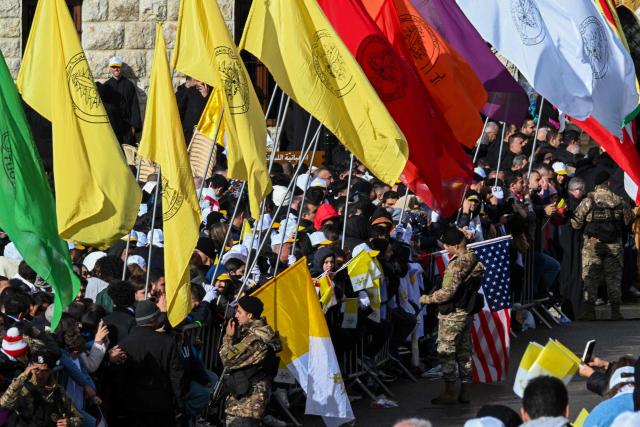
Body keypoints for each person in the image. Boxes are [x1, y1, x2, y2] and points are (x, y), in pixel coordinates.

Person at [419, 227, 484, 405]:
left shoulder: (456, 265)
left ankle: (449, 391)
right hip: (466, 311)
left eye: (447, 245)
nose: (445, 248)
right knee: (463, 352)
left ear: (456, 245)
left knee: (446, 351)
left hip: (453, 313)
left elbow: (447, 292)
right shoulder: (472, 257)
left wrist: (427, 298)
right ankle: (465, 391)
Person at [571, 171, 634, 320]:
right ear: (609, 183)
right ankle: (616, 312)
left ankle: (589, 312)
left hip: (592, 245)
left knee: (590, 279)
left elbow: (575, 223)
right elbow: (628, 221)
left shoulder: (588, 201)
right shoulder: (620, 201)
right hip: (614, 245)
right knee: (614, 279)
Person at [117, 300, 186, 426]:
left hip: (133, 407)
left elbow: (120, 378)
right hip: (161, 406)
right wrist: (179, 404)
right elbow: (177, 376)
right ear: (155, 319)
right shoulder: (167, 342)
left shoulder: (124, 344)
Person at [219, 296, 282, 426]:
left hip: (246, 405)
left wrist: (228, 338)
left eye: (239, 312)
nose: (236, 315)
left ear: (250, 316)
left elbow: (228, 360)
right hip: (247, 399)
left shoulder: (255, 339)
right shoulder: (257, 333)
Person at [0, 349, 84, 426]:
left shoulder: (58, 391)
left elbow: (79, 418)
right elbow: (4, 404)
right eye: (36, 369)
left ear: (50, 371)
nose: (40, 375)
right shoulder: (22, 387)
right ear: (30, 368)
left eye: (45, 371)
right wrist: (23, 376)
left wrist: (69, 423)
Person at [104, 56, 141, 146]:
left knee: (128, 156)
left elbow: (134, 106)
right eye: (113, 67)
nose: (116, 69)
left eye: (118, 67)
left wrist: (134, 127)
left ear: (121, 68)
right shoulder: (106, 86)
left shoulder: (129, 85)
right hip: (112, 128)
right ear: (110, 69)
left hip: (127, 128)